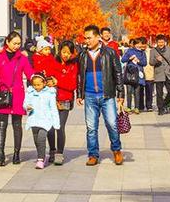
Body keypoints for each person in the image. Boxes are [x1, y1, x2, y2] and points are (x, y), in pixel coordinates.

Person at [77, 25, 125, 166]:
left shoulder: (110, 52)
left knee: (112, 124)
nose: (87, 41)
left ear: (98, 37)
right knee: (91, 127)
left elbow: (118, 73)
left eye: (89, 38)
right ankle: (93, 154)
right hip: (90, 96)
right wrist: (79, 93)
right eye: (85, 38)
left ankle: (116, 151)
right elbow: (80, 76)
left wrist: (120, 93)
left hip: (107, 95)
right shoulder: (82, 55)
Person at [0, 31, 34, 166]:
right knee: (2, 125)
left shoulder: (22, 58)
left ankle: (16, 154)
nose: (16, 46)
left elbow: (30, 75)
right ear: (7, 42)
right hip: (2, 94)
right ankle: (1, 154)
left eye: (19, 44)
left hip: (18, 94)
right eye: (14, 43)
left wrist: (41, 80)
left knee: (17, 125)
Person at [46, 40, 79, 165]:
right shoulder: (52, 62)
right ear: (59, 50)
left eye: (69, 53)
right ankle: (52, 151)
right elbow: (48, 79)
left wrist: (58, 81)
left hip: (65, 99)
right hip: (51, 100)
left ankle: (60, 152)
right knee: (49, 127)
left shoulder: (73, 65)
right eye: (64, 52)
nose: (66, 55)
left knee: (59, 126)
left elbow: (72, 84)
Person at [24, 74, 60, 169]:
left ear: (44, 83)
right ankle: (42, 153)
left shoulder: (49, 93)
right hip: (34, 119)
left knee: (41, 138)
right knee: (36, 140)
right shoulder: (30, 92)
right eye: (34, 85)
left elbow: (53, 108)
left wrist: (56, 121)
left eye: (38, 85)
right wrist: (27, 107)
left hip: (45, 120)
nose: (36, 87)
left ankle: (41, 159)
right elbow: (25, 102)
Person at [150, 34, 170, 115]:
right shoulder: (153, 51)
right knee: (159, 93)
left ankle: (164, 104)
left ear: (165, 42)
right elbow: (151, 62)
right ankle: (160, 109)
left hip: (168, 74)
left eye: (162, 42)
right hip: (159, 74)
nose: (160, 44)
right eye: (159, 42)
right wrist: (157, 60)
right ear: (156, 42)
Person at [121, 38, 146, 114]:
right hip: (129, 73)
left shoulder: (142, 53)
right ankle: (128, 107)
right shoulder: (129, 51)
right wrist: (129, 58)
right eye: (137, 43)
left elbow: (145, 63)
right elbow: (123, 60)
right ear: (134, 44)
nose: (139, 45)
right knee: (129, 91)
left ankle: (137, 108)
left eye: (140, 43)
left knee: (137, 91)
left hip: (138, 74)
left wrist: (139, 61)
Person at [142, 39, 155, 112]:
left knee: (149, 91)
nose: (143, 45)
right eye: (142, 44)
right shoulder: (137, 51)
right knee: (140, 91)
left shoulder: (151, 51)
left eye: (144, 44)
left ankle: (149, 106)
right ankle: (140, 106)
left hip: (149, 73)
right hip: (140, 74)